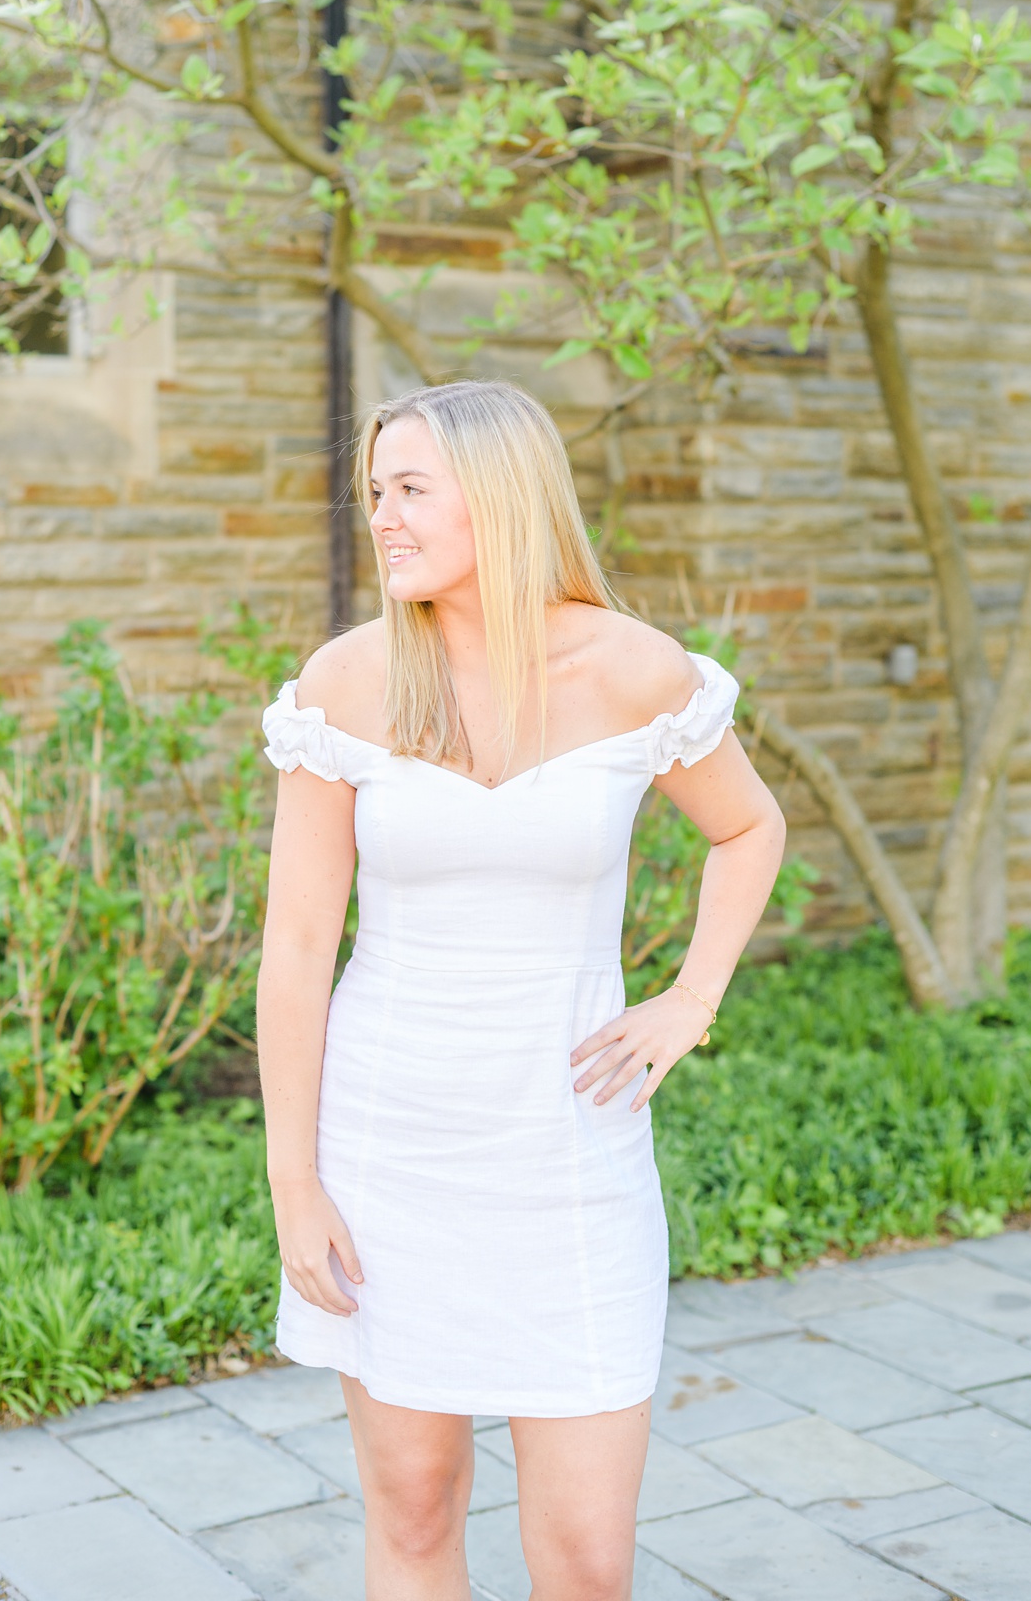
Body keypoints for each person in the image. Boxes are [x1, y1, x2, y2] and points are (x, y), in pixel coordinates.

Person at [255, 381, 786, 1601]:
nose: (381, 517)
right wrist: (295, 1180)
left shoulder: (635, 670)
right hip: (389, 1152)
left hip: (569, 1153)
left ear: (499, 497)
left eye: (410, 490)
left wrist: (691, 996)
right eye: (374, 491)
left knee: (589, 1563)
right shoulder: (344, 683)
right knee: (414, 1510)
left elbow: (749, 827)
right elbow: (295, 946)